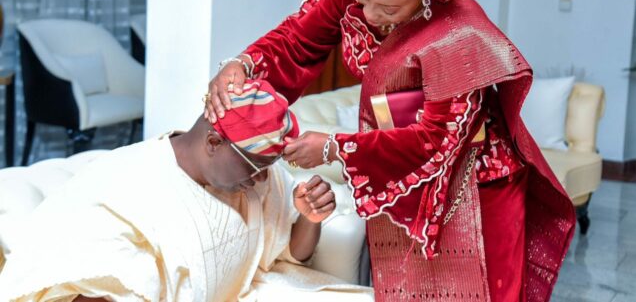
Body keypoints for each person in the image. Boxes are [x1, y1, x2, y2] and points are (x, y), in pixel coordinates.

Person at [206, 0, 576, 302]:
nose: (368, 15)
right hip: (399, 176)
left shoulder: (459, 35)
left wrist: (332, 148)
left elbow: (434, 141)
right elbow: (297, 40)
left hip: (475, 184)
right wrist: (243, 64)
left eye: (388, 9)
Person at [0, 80, 373, 302]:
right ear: (214, 141)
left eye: (269, 168)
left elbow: (292, 251)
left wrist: (310, 219)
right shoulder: (124, 187)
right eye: (254, 167)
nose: (261, 180)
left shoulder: (257, 172)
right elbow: (82, 278)